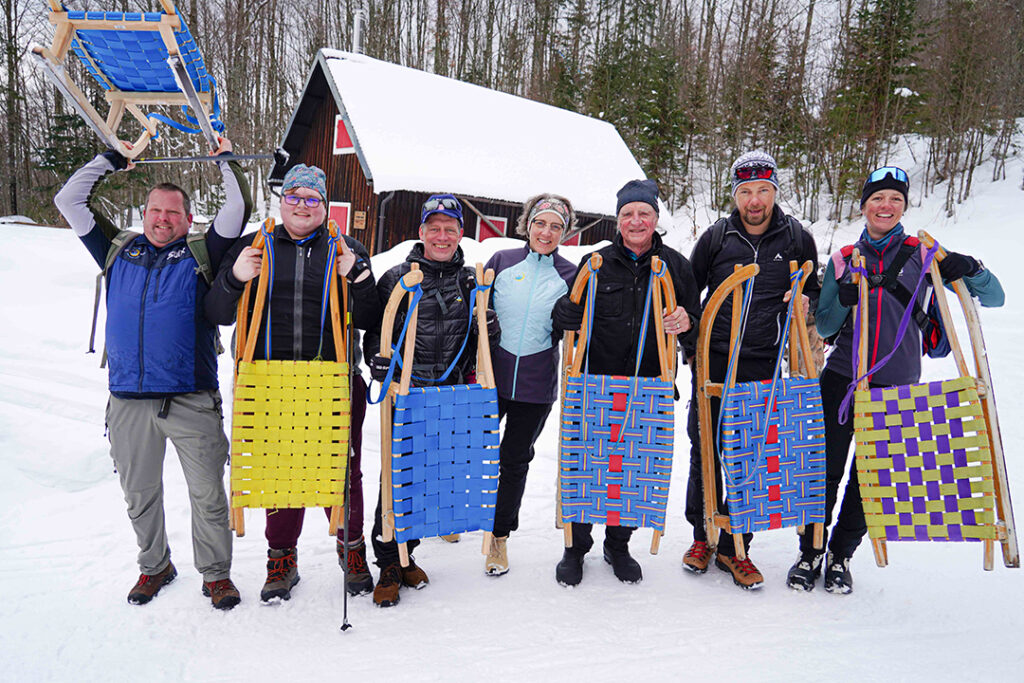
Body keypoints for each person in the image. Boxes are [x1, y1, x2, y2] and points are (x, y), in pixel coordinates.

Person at [53, 137, 252, 609]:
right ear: (144, 215)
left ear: (187, 219)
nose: (163, 219)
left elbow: (237, 207)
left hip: (191, 398)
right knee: (139, 495)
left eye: (173, 213)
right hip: (127, 400)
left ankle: (216, 574)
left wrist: (224, 160)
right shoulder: (115, 248)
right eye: (155, 211)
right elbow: (69, 200)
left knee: (207, 495)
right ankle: (155, 565)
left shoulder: (202, 251)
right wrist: (110, 160)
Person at [786, 166, 1004, 594]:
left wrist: (972, 268)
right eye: (877, 199)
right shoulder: (844, 258)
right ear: (864, 205)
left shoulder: (925, 255)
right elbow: (827, 327)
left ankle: (841, 554)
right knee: (823, 471)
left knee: (873, 478)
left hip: (897, 386)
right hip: (843, 381)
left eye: (895, 200)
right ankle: (811, 550)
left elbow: (994, 297)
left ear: (904, 206)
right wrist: (843, 301)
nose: (885, 206)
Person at [204, 164, 380, 602]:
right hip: (269, 381)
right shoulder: (255, 246)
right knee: (280, 469)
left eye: (312, 198)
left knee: (343, 467)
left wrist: (357, 277)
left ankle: (350, 545)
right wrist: (234, 277)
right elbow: (216, 313)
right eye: (294, 197)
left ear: (324, 206)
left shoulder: (348, 247)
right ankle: (281, 556)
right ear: (281, 203)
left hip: (334, 379)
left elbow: (373, 317)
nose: (303, 205)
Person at [682, 150, 821, 590]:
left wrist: (804, 303)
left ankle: (735, 545)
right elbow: (689, 291)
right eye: (745, 192)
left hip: (763, 359)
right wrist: (691, 344)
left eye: (763, 190)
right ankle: (703, 533)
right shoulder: (717, 237)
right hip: (715, 357)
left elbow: (812, 290)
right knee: (704, 446)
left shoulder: (797, 238)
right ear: (735, 195)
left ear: (775, 192)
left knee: (751, 453)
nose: (754, 200)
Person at [551, 179, 701, 586]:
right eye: (627, 215)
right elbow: (568, 317)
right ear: (618, 221)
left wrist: (687, 322)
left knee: (634, 468)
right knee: (584, 464)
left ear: (656, 219)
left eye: (644, 214)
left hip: (650, 385)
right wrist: (564, 312)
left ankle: (618, 543)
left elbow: (695, 324)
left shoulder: (675, 265)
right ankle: (575, 546)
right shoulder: (595, 263)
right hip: (594, 382)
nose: (636, 221)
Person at [364, 193, 499, 607]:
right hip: (408, 392)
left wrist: (487, 325)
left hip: (450, 394)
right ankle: (388, 560)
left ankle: (409, 555)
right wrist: (379, 362)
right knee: (397, 477)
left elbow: (482, 342)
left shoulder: (468, 280)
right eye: (434, 228)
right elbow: (376, 333)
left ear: (461, 233)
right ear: (421, 232)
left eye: (451, 228)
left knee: (431, 479)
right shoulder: (398, 276)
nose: (443, 236)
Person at [482, 194, 577, 576]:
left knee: (514, 460)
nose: (547, 232)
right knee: (473, 453)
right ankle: (457, 517)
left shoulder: (571, 274)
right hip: (491, 377)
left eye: (556, 226)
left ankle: (499, 536)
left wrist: (570, 320)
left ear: (564, 233)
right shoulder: (501, 262)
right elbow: (473, 307)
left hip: (536, 386)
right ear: (528, 224)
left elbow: (579, 327)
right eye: (541, 223)